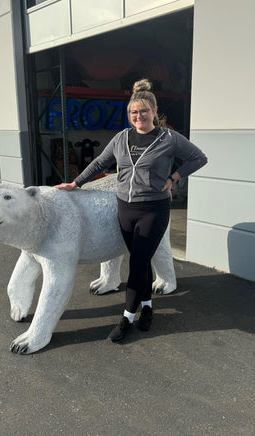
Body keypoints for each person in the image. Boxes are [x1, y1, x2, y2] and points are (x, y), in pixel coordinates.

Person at [55, 78, 207, 342]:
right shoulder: (122, 138)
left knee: (136, 264)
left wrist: (172, 179)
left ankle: (127, 317)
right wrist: (75, 183)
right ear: (130, 115)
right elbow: (100, 162)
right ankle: (147, 308)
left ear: (154, 111)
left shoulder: (169, 138)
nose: (139, 116)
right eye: (134, 112)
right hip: (125, 207)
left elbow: (198, 158)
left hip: (154, 209)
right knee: (142, 261)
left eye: (144, 111)